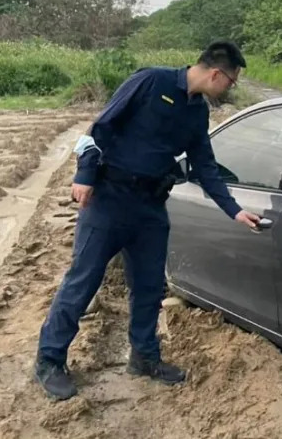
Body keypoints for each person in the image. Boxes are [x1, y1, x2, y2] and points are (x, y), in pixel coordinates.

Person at [34, 41, 262, 400]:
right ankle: (49, 360)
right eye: (231, 82)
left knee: (149, 286)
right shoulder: (150, 82)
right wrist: (85, 175)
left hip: (150, 208)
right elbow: (100, 128)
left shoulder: (197, 113)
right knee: (82, 282)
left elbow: (204, 166)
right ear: (216, 73)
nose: (229, 89)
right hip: (109, 200)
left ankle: (144, 356)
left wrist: (233, 209)